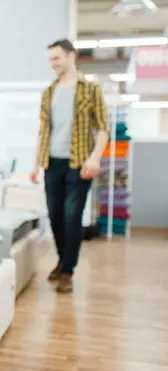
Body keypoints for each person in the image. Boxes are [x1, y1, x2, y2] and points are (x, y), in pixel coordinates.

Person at [30, 39, 109, 293]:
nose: (53, 64)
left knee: (72, 216)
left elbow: (103, 128)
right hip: (51, 162)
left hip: (79, 163)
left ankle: (67, 271)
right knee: (54, 215)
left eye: (57, 58)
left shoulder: (90, 89)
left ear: (71, 56)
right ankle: (63, 259)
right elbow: (43, 131)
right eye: (50, 60)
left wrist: (95, 157)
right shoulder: (49, 92)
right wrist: (35, 164)